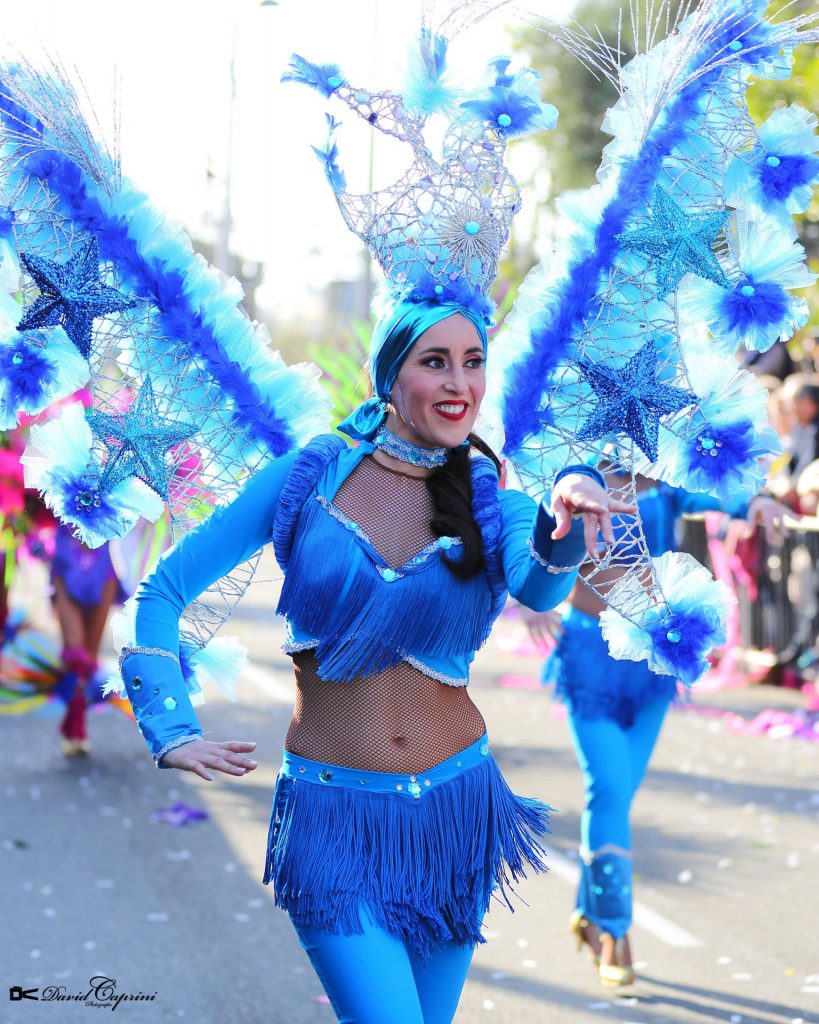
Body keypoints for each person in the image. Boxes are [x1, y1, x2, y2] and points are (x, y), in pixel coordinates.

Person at [120, 302, 632, 1022]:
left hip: (455, 813)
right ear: (390, 376)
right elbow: (163, 591)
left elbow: (539, 580)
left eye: (472, 361)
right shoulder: (311, 477)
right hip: (332, 818)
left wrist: (569, 517)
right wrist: (169, 726)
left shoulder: (492, 497)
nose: (460, 382)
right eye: (434, 361)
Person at [522, 471, 791, 988]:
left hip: (654, 659)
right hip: (587, 658)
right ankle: (614, 930)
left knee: (618, 797)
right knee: (608, 789)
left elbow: (716, 494)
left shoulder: (664, 482)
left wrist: (755, 502)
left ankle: (588, 910)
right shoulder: (568, 481)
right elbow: (526, 543)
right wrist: (524, 597)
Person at [51, 521, 125, 756]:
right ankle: (72, 730)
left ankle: (76, 727)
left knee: (87, 663)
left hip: (103, 572)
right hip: (65, 569)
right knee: (76, 655)